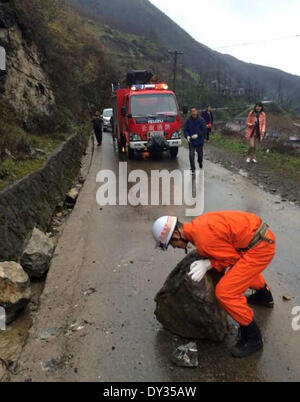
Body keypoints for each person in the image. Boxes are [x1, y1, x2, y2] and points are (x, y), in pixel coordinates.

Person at [152, 211, 276, 358]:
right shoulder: (198, 227)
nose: (174, 247)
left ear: (177, 234)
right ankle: (264, 296)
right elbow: (229, 252)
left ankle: (253, 337)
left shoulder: (203, 239)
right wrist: (211, 262)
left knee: (225, 293)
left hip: (260, 247)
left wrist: (209, 263)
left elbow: (232, 258)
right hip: (258, 237)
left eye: (171, 243)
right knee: (240, 272)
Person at [184, 107, 207, 173]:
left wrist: (198, 135)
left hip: (199, 140)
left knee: (200, 155)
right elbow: (185, 130)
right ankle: (193, 168)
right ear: (191, 113)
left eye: (194, 111)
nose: (193, 113)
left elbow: (204, 130)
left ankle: (200, 162)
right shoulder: (188, 120)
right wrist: (187, 136)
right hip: (191, 141)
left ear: (196, 112)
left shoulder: (201, 120)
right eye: (192, 111)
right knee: (191, 154)